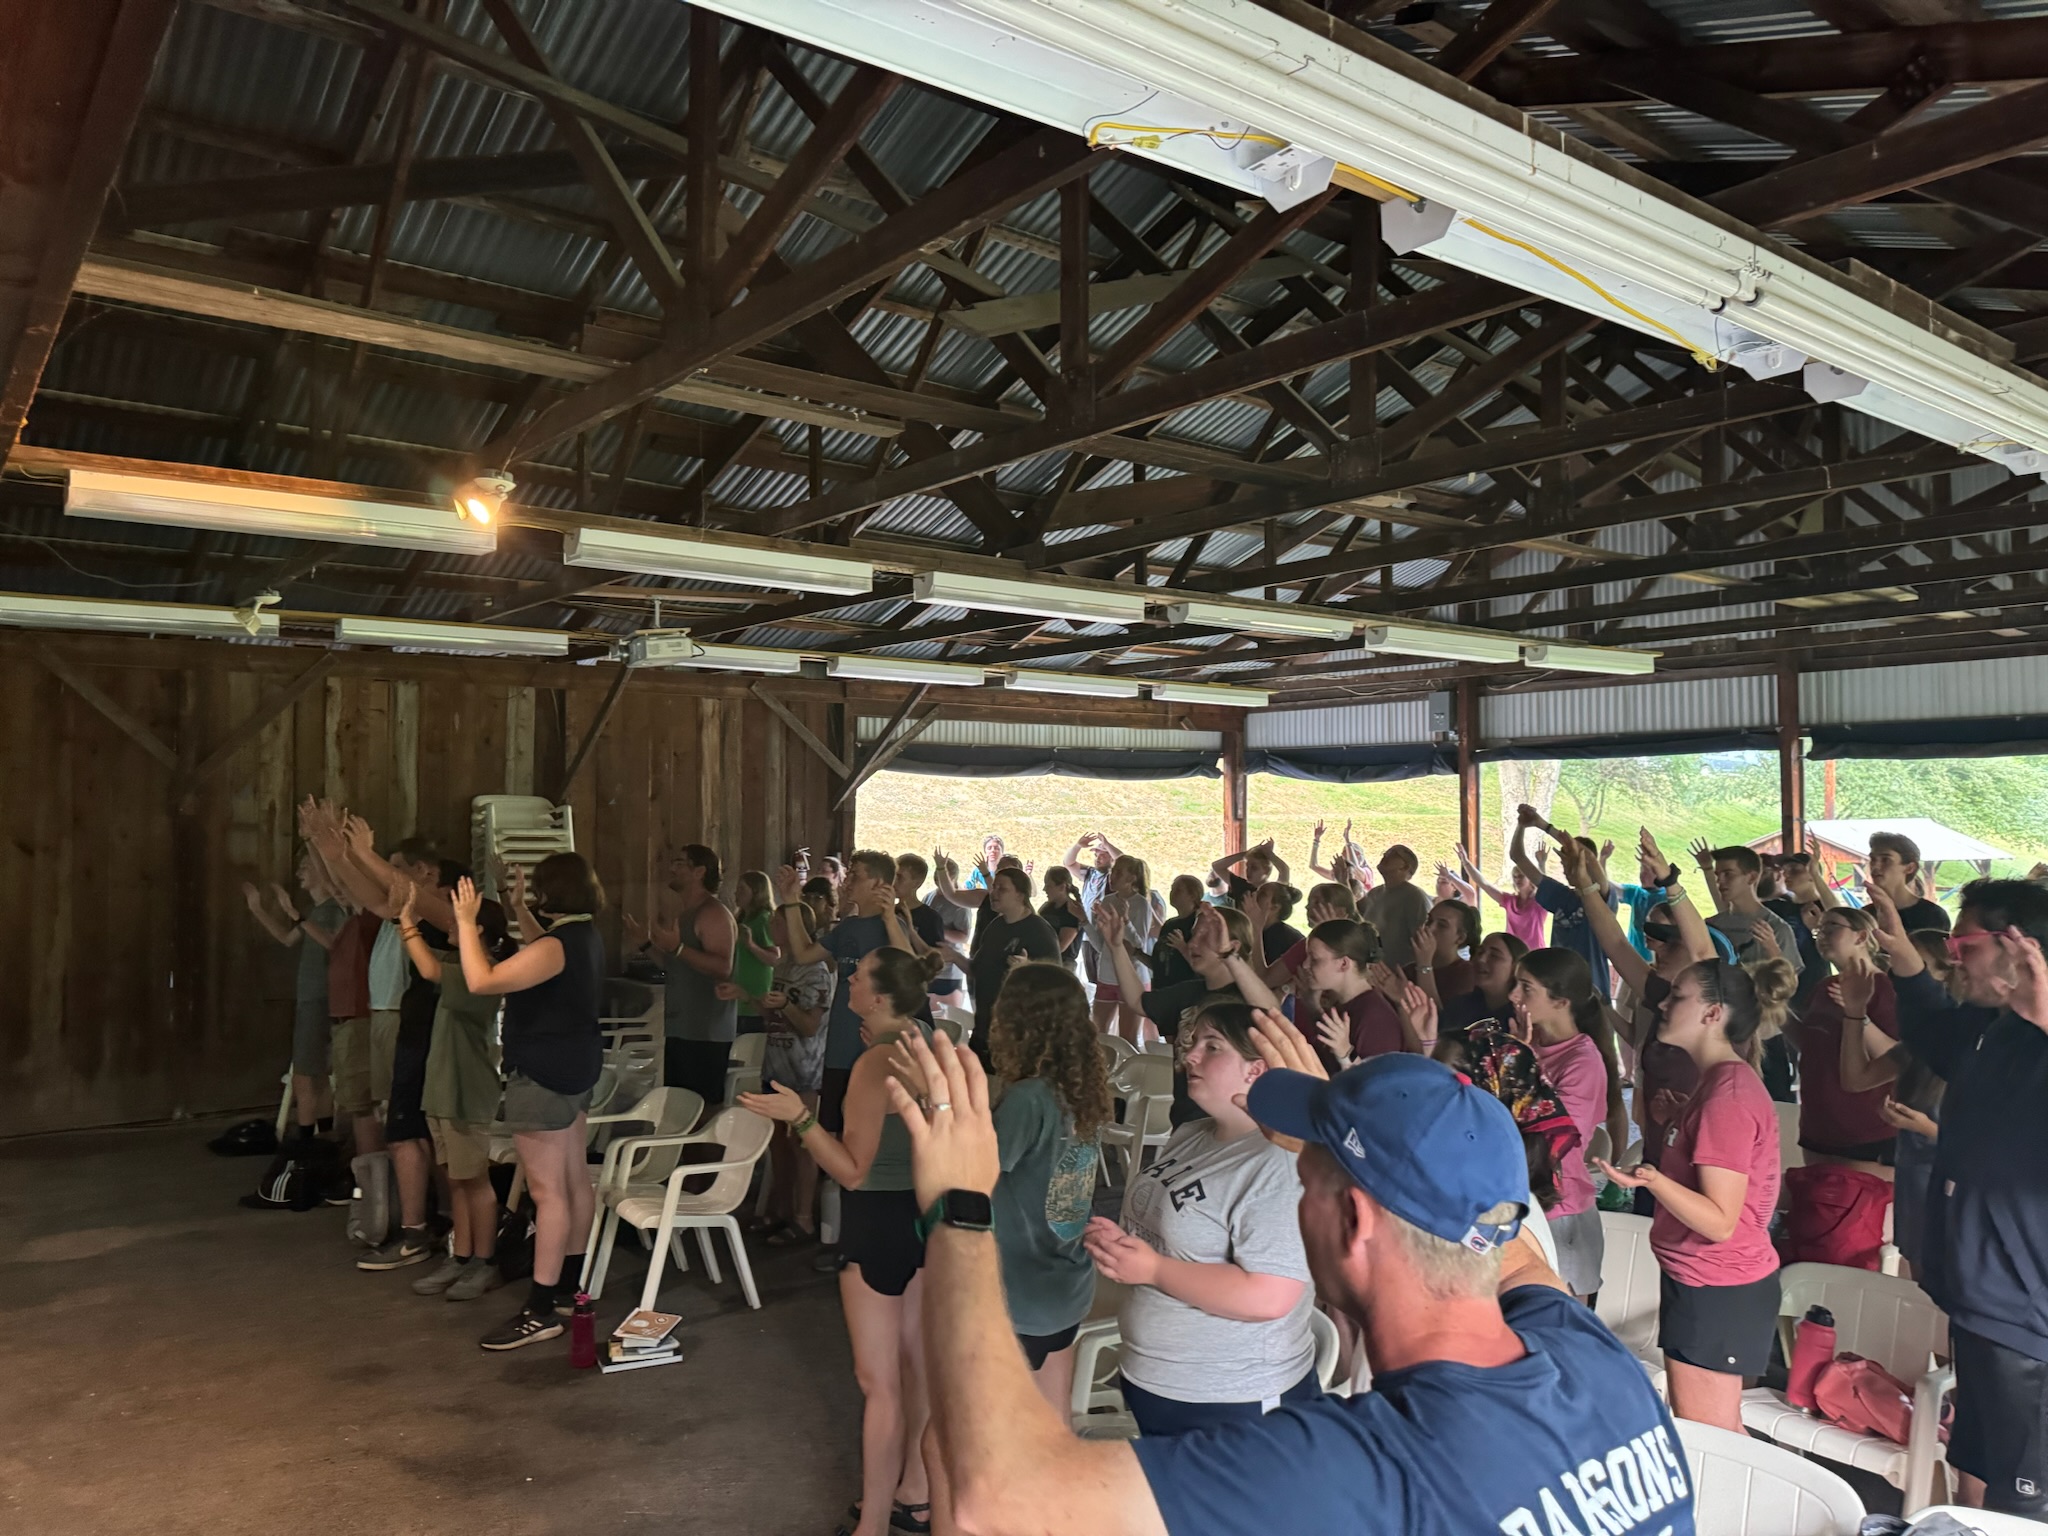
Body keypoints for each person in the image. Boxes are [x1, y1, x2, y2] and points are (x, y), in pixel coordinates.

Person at [883, 1011, 1694, 1536]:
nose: (1296, 1185)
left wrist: (959, 1209)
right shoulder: (1595, 1364)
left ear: (1352, 1223)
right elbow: (1507, 1246)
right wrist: (1350, 1134)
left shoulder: (1356, 1469)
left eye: (1307, 1181)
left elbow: (1000, 1495)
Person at [740, 949, 939, 1536]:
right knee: (916, 1370)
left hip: (877, 1222)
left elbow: (852, 1171)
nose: (846, 979)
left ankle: (872, 1524)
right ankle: (915, 1493)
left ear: (877, 998)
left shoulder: (875, 1063)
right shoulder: (924, 1037)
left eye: (858, 976)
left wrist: (800, 1118)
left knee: (879, 1385)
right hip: (926, 1218)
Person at [1876, 878, 2048, 1516]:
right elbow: (1934, 1031)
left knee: (2022, 1506)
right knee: (1973, 1463)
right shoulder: (1991, 1029)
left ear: (2016, 947)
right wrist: (1902, 955)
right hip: (1977, 1299)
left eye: (1964, 944)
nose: (1953, 958)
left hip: (2027, 1317)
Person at [1082, 1000, 1317, 1436]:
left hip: (1232, 1398)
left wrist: (1153, 1269)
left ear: (1257, 1069)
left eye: (1212, 1046)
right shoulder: (1193, 1135)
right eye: (1194, 1044)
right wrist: (1123, 1247)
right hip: (1161, 1380)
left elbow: (1269, 1296)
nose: (1189, 1056)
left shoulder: (1279, 1163)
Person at [1598, 959, 1791, 1432]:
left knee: (1711, 1437)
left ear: (1713, 1013)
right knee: (1714, 1430)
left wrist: (1653, 1179)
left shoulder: (1726, 1097)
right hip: (1710, 1281)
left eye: (1677, 997)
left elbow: (1720, 1221)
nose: (1663, 1005)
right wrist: (1680, 1124)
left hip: (1717, 1284)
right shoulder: (1719, 1085)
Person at [453, 853, 605, 1351]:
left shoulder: (559, 944)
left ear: (551, 891)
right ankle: (568, 1290)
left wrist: (466, 924)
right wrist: (517, 907)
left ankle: (539, 1309)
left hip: (543, 1074)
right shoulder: (583, 935)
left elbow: (481, 981)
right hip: (576, 1067)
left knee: (548, 1193)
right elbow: (544, 949)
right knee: (574, 1180)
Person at [983, 963, 1111, 1413]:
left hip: (1017, 1287)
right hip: (1066, 1280)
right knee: (1053, 1418)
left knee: (997, 1418)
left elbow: (975, 1174)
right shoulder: (1079, 1089)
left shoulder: (1026, 1099)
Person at [402, 866, 509, 1301]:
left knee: (476, 1181)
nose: (449, 923)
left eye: (459, 918)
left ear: (477, 929)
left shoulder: (485, 972)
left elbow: (427, 969)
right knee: (457, 1180)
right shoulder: (457, 963)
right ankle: (461, 1257)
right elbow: (433, 965)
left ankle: (485, 1261)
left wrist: (406, 921)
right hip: (442, 1089)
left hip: (467, 1091)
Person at [1781, 907, 1898, 1268]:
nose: (1821, 934)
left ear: (1862, 936)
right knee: (1815, 1227)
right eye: (1819, 928)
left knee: (1854, 1237)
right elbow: (1810, 1043)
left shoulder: (1885, 990)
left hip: (1865, 1132)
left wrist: (1856, 1013)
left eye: (1832, 927)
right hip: (1819, 1126)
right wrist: (1777, 1011)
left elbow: (1894, 1057)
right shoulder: (1822, 987)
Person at [1835, 932, 1952, 1276]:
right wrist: (1855, 1012)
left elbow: (1989, 1147)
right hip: (1914, 1178)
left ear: (1947, 974)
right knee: (1919, 1278)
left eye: (1916, 965)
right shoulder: (1922, 1043)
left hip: (1952, 1183)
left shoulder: (1978, 1044)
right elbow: (1855, 1079)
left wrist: (1925, 1127)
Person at [1508, 948, 1613, 1299]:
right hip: (1525, 1200)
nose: (1513, 996)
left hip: (1561, 1212)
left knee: (1559, 1318)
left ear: (1561, 1002)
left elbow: (1550, 1137)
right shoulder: (1528, 1043)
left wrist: (1517, 1064)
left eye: (1526, 988)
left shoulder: (1582, 1062)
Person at [242, 853, 342, 1143]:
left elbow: (333, 943)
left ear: (324, 872)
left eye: (306, 866)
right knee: (315, 1072)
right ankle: (323, 1137)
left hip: (320, 996)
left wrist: (294, 913)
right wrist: (257, 909)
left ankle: (304, 1141)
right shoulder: (315, 911)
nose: (299, 872)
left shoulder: (335, 909)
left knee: (304, 1073)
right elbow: (287, 939)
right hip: (310, 996)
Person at [627, 844, 737, 1110]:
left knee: (700, 1110)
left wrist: (677, 948)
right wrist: (645, 944)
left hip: (705, 1032)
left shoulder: (713, 913)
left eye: (679, 863)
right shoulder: (686, 914)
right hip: (683, 1028)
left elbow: (723, 967)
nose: (671, 869)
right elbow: (675, 965)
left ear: (699, 872)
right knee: (678, 1108)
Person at [752, 900, 833, 1246]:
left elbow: (811, 1026)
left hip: (804, 1069)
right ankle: (781, 1208)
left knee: (802, 1143)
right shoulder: (782, 963)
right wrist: (750, 997)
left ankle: (803, 1218)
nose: (771, 926)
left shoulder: (815, 970)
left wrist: (785, 1005)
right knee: (778, 1145)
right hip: (776, 1063)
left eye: (777, 921)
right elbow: (773, 1017)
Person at [1512, 806, 1622, 1002]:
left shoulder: (1603, 898)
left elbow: (1590, 859)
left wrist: (1544, 826)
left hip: (1593, 994)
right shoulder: (1560, 896)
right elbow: (1517, 856)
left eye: (1569, 861)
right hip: (1559, 991)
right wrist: (1521, 825)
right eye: (1563, 861)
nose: (1564, 867)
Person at [966, 867, 1061, 1052]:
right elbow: (977, 969)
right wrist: (953, 956)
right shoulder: (995, 926)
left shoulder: (1039, 931)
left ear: (1020, 895)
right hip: (985, 1027)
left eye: (1002, 889)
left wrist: (1028, 968)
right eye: (994, 887)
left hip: (1016, 1032)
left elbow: (1055, 984)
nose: (994, 893)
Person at [1297, 920, 1413, 1066]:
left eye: (1314, 959)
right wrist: (1313, 1008)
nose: (1305, 965)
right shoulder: (1345, 1004)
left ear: (1344, 964)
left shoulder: (1375, 1019)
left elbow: (1377, 1078)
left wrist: (1347, 1053)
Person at [1083, 855, 1155, 1041]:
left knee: (1128, 1038)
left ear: (1131, 878)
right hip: (1107, 975)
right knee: (1097, 1035)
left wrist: (1126, 922)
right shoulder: (1107, 900)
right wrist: (1084, 921)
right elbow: (1101, 945)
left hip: (1132, 975)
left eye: (1118, 873)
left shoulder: (1141, 904)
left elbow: (1138, 946)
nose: (1112, 877)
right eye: (1112, 872)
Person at [1429, 930, 1527, 1036]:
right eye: (1479, 952)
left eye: (1494, 956)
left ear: (1516, 968)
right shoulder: (1459, 1006)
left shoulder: (1522, 1017)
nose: (1481, 959)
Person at [1459, 840, 1549, 952]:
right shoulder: (1510, 901)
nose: (1517, 879)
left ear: (1530, 878)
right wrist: (1466, 863)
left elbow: (1545, 888)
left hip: (1535, 953)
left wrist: (1541, 864)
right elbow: (1484, 884)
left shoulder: (1538, 901)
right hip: (1512, 952)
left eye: (1521, 876)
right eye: (1515, 877)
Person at [1359, 844, 1432, 975]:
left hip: (1402, 974)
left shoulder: (1414, 897)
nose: (1385, 856)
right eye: (1386, 853)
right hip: (1373, 973)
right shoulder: (1374, 893)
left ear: (1405, 867)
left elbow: (1423, 941)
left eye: (1393, 854)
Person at [1867, 831, 1952, 934]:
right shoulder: (1866, 915)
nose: (1875, 866)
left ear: (1910, 868)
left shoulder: (1933, 915)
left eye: (1885, 860)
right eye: (1873, 859)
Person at [729, 869, 776, 1037]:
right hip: (737, 997)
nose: (736, 893)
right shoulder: (740, 919)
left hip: (756, 998)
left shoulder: (764, 919)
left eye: (742, 889)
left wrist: (751, 945)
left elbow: (774, 958)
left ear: (756, 892)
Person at [1412, 897, 1478, 1000]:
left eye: (1442, 925)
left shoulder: (1467, 974)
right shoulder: (1410, 970)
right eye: (1429, 921)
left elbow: (1438, 1010)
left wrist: (1424, 965)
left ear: (1460, 938)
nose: (1429, 928)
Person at [1149, 874, 1205, 992]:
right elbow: (1159, 963)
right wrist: (1136, 953)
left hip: (1186, 992)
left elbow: (1205, 966)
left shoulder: (1199, 923)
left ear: (1193, 896)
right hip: (1162, 991)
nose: (1172, 893)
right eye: (1172, 889)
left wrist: (1183, 948)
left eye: (1178, 890)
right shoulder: (1169, 924)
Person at [1210, 838, 1286, 906]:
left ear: (1266, 870)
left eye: (1254, 868)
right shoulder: (1241, 885)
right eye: (1247, 866)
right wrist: (1247, 853)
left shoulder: (1274, 891)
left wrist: (1269, 854)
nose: (1248, 871)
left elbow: (1284, 870)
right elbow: (1217, 866)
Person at [1038, 865, 1085, 973]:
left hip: (1063, 964)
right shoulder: (1046, 908)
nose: (1044, 889)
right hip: (1045, 959)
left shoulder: (1072, 910)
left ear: (1062, 887)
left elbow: (1061, 946)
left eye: (1048, 885)